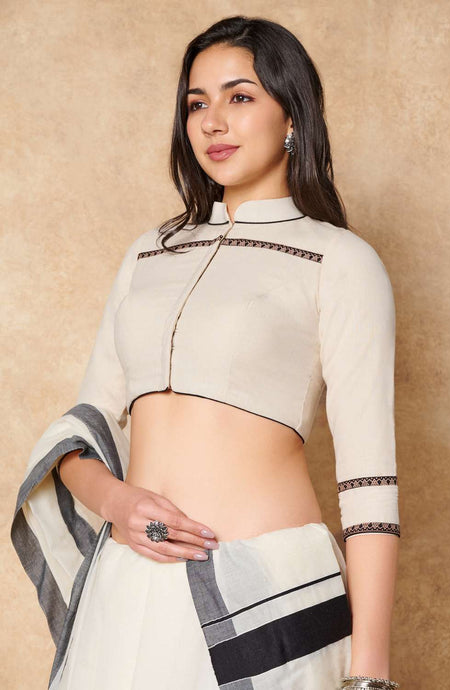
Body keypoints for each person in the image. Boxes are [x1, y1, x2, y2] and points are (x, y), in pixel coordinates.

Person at [11, 15, 401, 690]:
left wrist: (370, 678)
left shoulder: (338, 261)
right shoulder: (149, 253)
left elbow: (369, 489)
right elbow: (82, 432)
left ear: (292, 116)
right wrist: (118, 503)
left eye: (239, 96)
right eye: (197, 104)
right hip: (126, 594)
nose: (212, 122)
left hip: (270, 605)